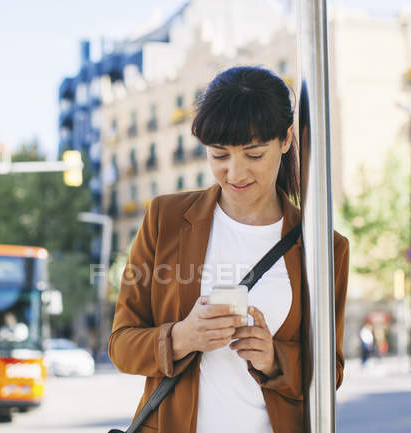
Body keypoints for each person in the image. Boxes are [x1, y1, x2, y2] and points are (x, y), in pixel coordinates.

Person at [109, 66, 350, 433]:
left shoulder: (326, 248)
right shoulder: (165, 219)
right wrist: (180, 337)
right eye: (219, 155)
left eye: (254, 154)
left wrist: (273, 359)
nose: (235, 173)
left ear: (286, 140)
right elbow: (121, 346)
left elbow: (329, 372)